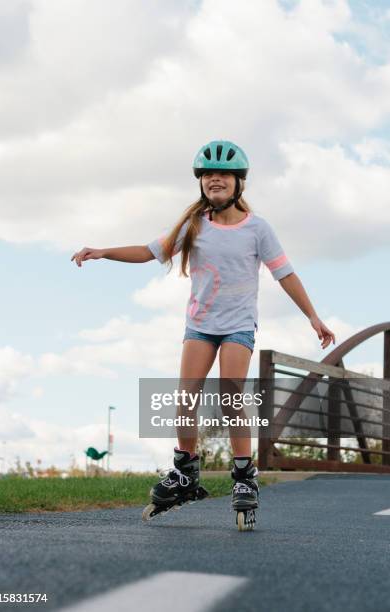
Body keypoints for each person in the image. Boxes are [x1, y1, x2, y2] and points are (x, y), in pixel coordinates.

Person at [71, 140, 336, 528]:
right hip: (200, 324)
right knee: (185, 396)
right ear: (201, 183)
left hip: (239, 326)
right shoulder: (193, 226)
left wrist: (313, 317)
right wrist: (102, 251)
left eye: (224, 175)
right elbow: (149, 251)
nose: (215, 179)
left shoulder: (258, 229)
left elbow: (285, 274)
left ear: (238, 183)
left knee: (231, 395)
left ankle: (245, 475)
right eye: (209, 175)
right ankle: (185, 470)